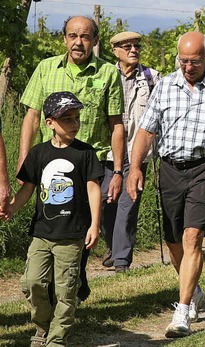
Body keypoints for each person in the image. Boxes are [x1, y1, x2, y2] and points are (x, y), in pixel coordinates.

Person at [126, 31, 205, 338]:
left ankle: (182, 312)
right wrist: (135, 168)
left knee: (193, 236)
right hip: (170, 169)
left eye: (194, 61)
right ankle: (194, 290)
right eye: (183, 60)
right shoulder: (165, 85)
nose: (188, 66)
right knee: (174, 239)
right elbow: (146, 130)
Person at [18, 15, 125, 302]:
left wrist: (117, 170)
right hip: (51, 164)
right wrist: (24, 158)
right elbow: (31, 117)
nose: (79, 42)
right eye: (73, 36)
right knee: (54, 225)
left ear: (95, 41)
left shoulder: (108, 73)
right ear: (64, 38)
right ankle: (66, 283)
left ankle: (73, 279)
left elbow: (116, 124)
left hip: (93, 164)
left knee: (83, 228)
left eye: (86, 36)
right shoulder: (46, 68)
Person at [1, 92, 103, 346]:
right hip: (42, 232)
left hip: (72, 234)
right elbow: (28, 188)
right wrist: (12, 208)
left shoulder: (86, 153)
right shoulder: (38, 154)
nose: (74, 124)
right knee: (32, 282)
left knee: (65, 290)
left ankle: (57, 339)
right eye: (66, 119)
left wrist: (94, 224)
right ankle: (42, 326)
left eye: (77, 118)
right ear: (50, 123)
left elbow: (93, 189)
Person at [100, 31, 161, 273]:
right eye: (127, 46)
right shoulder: (105, 76)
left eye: (136, 45)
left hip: (137, 152)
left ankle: (122, 261)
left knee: (128, 203)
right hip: (107, 152)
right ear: (115, 51)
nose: (133, 50)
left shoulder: (152, 78)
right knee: (105, 201)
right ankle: (114, 247)